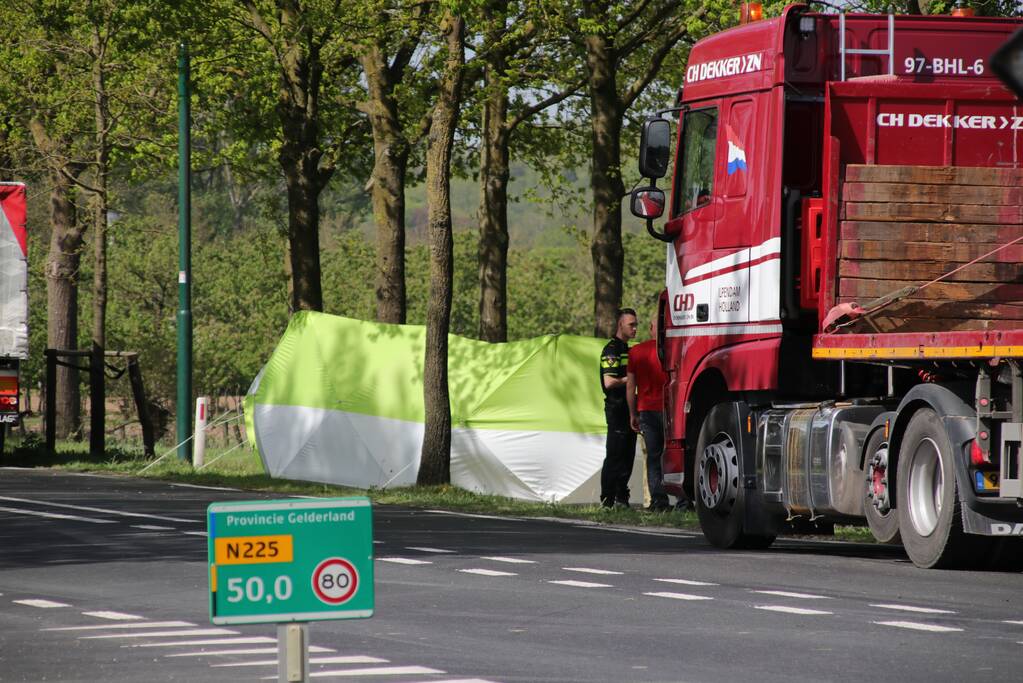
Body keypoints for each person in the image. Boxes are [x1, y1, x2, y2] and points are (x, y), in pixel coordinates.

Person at [627, 312, 672, 512]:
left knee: (653, 456)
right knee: (672, 454)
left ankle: (659, 501)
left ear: (651, 329)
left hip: (646, 409)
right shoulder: (671, 350)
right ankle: (682, 501)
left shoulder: (635, 352)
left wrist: (632, 413)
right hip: (669, 409)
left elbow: (630, 387)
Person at [599, 308, 639, 509]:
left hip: (630, 409)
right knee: (615, 454)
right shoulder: (612, 349)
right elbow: (609, 382)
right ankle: (607, 499)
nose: (635, 328)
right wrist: (630, 379)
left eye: (636, 324)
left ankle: (622, 497)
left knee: (628, 454)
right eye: (631, 324)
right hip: (616, 409)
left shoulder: (629, 350)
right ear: (620, 325)